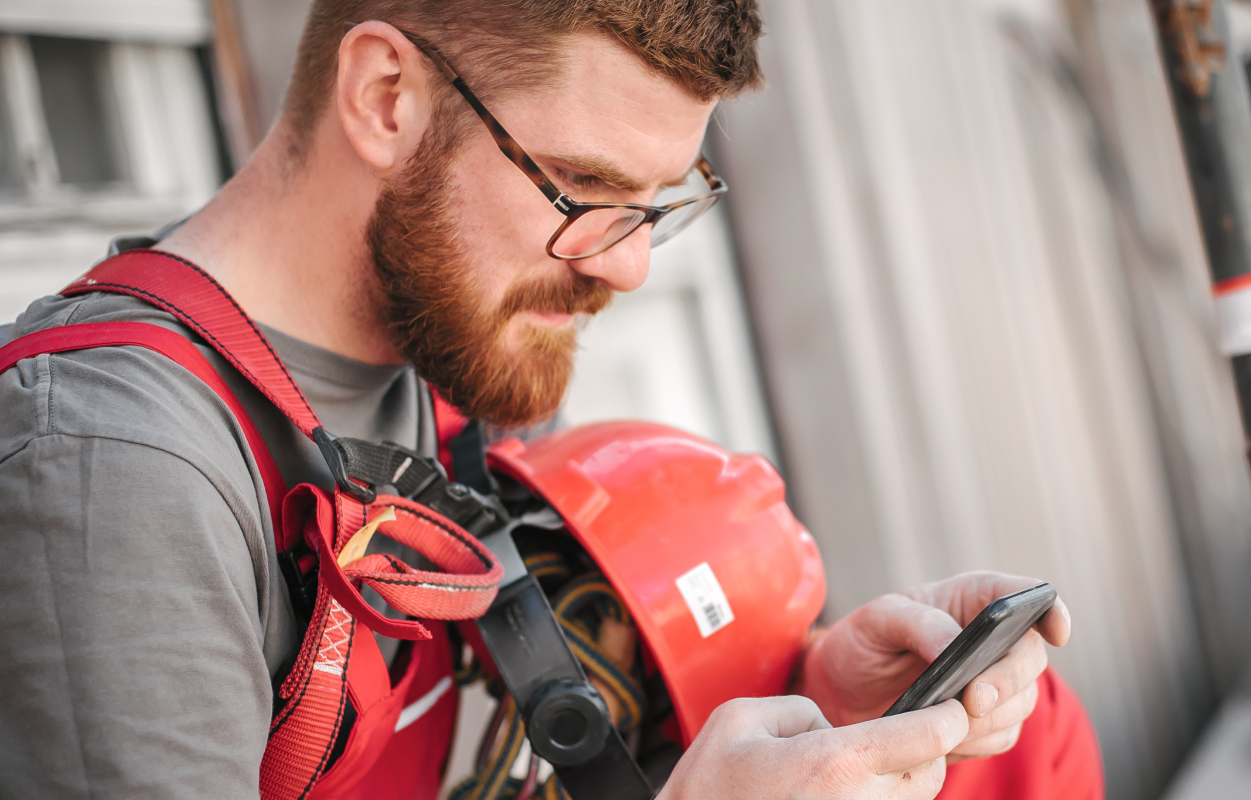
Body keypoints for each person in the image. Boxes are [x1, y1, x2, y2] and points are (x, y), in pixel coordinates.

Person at [0, 2, 1100, 798]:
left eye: (658, 206)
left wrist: (817, 710)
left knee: (1015, 747)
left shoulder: (454, 371)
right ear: (387, 98)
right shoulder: (119, 465)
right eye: (585, 192)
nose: (629, 269)